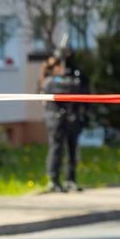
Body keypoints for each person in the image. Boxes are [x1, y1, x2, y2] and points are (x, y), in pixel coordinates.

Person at [40, 48, 88, 193]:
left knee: (73, 150)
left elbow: (80, 86)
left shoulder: (67, 79)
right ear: (54, 68)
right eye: (60, 66)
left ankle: (70, 179)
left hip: (70, 119)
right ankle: (53, 180)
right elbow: (70, 87)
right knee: (56, 149)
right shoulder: (50, 82)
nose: (63, 69)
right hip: (55, 120)